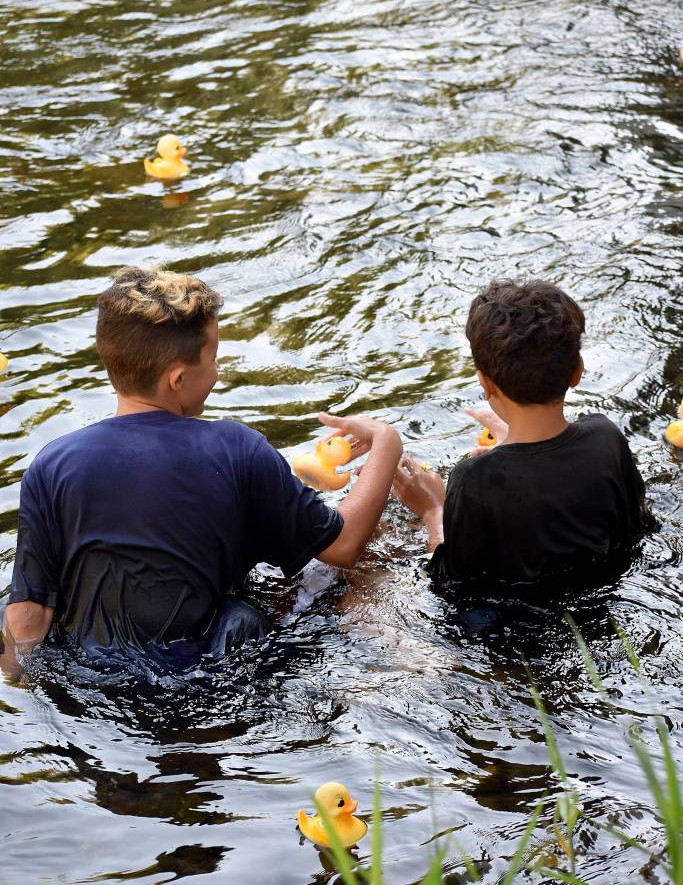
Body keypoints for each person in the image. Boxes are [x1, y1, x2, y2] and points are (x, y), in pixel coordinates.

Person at [3, 266, 403, 661]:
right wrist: (386, 440)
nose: (216, 372)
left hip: (90, 689)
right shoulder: (236, 449)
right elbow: (345, 545)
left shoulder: (51, 465)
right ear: (178, 379)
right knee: (265, 609)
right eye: (213, 358)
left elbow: (27, 618)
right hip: (200, 682)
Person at [392, 280, 651, 589]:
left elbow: (452, 586)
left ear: (485, 383)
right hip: (607, 602)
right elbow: (638, 528)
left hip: (519, 629)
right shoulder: (606, 440)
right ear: (577, 371)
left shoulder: (477, 477)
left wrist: (433, 510)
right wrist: (511, 450)